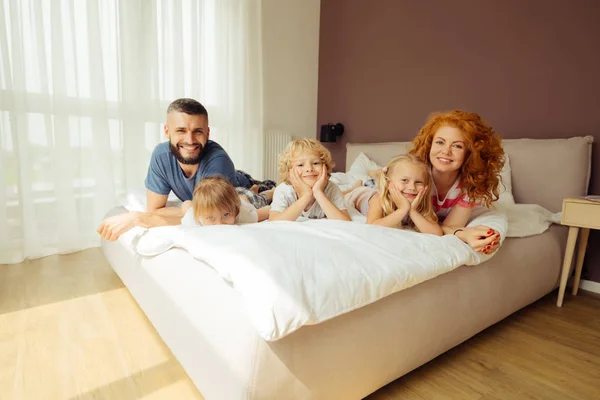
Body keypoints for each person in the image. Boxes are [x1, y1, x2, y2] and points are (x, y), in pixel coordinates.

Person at [97, 98, 269, 240]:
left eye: (198, 131)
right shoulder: (161, 155)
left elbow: (204, 216)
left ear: (207, 133)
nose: (190, 140)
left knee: (255, 197)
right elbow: (156, 209)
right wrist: (182, 210)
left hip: (243, 186)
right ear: (167, 131)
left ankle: (262, 189)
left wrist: (137, 218)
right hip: (215, 192)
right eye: (181, 130)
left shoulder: (218, 161)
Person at [409, 110, 505, 254]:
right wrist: (464, 234)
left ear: (470, 154)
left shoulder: (469, 185)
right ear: (429, 145)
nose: (446, 151)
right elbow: (429, 226)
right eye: (440, 142)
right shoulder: (417, 176)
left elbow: (450, 226)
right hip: (390, 183)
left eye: (457, 146)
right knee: (375, 179)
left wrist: (469, 234)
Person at [348, 155, 442, 235]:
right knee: (350, 193)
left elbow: (437, 233)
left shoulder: (420, 203)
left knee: (373, 183)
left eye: (418, 182)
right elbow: (372, 226)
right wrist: (402, 209)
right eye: (404, 180)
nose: (412, 187)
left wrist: (412, 211)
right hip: (363, 194)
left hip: (377, 187)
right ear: (389, 183)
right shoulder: (378, 200)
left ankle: (375, 175)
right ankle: (358, 185)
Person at [269, 139, 351, 222]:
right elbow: (274, 221)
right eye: (300, 165)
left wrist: (318, 192)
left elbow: (345, 222)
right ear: (289, 172)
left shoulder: (332, 189)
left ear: (325, 167)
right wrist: (306, 195)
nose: (309, 169)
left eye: (316, 163)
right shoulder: (283, 190)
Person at [180, 176, 269, 226]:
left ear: (235, 210)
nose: (220, 224)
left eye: (226, 214)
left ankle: (268, 192)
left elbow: (266, 211)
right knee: (186, 204)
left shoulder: (241, 215)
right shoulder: (193, 220)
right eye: (210, 217)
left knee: (259, 198)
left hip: (246, 199)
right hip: (236, 196)